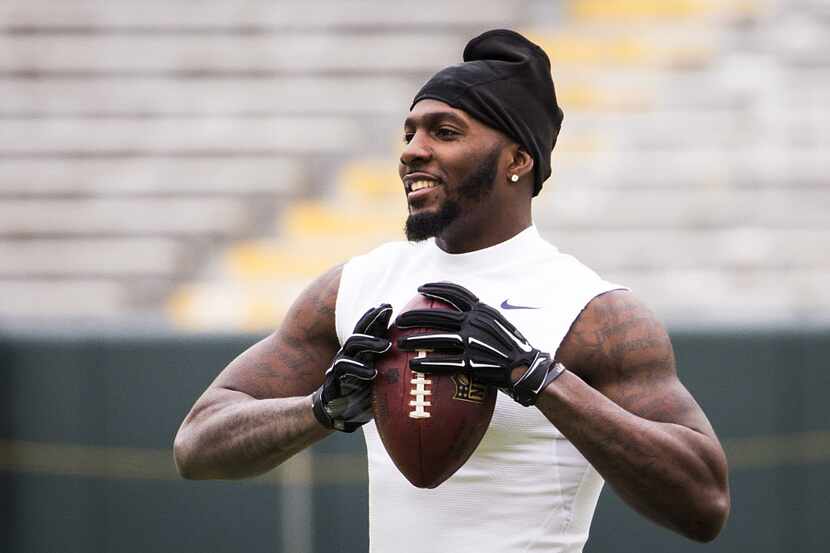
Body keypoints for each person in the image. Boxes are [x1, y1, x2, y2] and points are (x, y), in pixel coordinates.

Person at [174, 29, 730, 552]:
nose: (413, 150)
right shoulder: (358, 286)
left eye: (444, 132)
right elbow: (197, 445)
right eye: (409, 132)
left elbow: (704, 503)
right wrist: (319, 409)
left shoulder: (594, 311)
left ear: (518, 160)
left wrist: (540, 378)